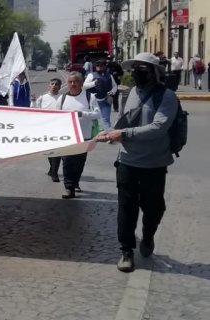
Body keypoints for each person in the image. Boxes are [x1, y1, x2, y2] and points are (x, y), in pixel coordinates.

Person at [96, 52, 179, 273]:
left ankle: (148, 234)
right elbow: (124, 120)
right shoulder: (131, 92)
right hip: (127, 162)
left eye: (142, 69)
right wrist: (110, 133)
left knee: (154, 208)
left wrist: (123, 133)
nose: (136, 73)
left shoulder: (167, 96)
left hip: (154, 164)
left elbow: (158, 127)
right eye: (134, 69)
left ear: (154, 72)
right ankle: (126, 251)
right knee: (126, 208)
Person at [58, 72, 99, 199]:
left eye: (75, 82)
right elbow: (55, 116)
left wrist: (82, 114)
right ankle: (69, 187)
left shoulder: (89, 97)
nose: (72, 84)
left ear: (81, 83)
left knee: (79, 162)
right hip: (67, 137)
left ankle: (75, 182)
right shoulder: (62, 98)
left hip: (84, 136)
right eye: (70, 82)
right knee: (67, 162)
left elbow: (97, 114)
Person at [34, 78, 63, 182]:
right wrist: (33, 101)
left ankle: (54, 173)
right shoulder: (43, 98)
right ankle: (52, 168)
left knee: (57, 151)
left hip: (59, 128)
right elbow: (35, 110)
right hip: (46, 128)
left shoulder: (62, 97)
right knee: (49, 151)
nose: (54, 85)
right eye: (52, 84)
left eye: (56, 84)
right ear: (49, 86)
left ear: (60, 87)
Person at [84, 59, 117, 130]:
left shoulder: (109, 75)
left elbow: (115, 86)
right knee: (95, 119)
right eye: (97, 65)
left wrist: (111, 92)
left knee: (106, 119)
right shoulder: (91, 75)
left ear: (105, 66)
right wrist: (94, 83)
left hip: (106, 100)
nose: (99, 67)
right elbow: (84, 86)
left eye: (101, 65)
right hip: (94, 101)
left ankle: (108, 135)